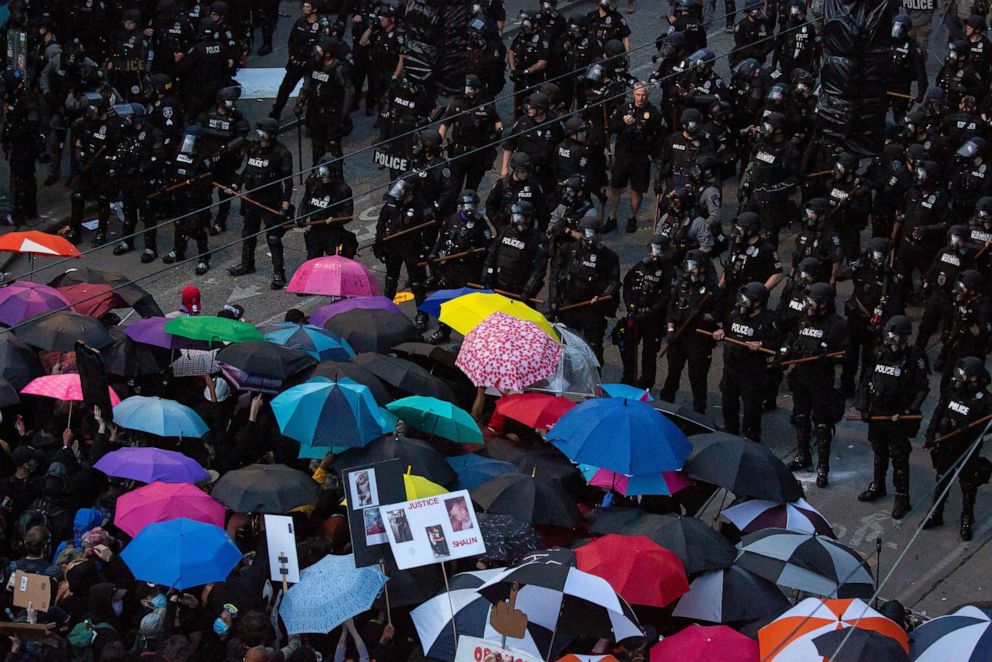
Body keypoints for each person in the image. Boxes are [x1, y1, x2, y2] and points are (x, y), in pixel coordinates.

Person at [854, 315, 929, 520]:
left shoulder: (914, 358)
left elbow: (922, 389)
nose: (890, 339)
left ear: (904, 337)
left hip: (898, 416)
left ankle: (902, 497)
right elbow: (865, 380)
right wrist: (864, 407)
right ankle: (878, 485)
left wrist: (909, 412)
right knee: (879, 452)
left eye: (895, 335)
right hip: (878, 411)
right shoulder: (879, 353)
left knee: (899, 456)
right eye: (889, 334)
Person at [782, 282, 848, 487]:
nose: (808, 304)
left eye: (812, 300)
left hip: (821, 381)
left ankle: (823, 467)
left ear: (824, 303)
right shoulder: (804, 320)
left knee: (821, 424)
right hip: (801, 377)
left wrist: (827, 357)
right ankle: (803, 456)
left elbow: (846, 355)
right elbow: (791, 340)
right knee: (801, 417)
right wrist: (784, 352)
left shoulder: (837, 324)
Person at [923, 356, 992, 541]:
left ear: (974, 378)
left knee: (968, 486)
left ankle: (966, 519)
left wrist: (971, 428)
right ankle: (936, 513)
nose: (960, 378)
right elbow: (939, 411)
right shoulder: (953, 390)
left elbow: (987, 428)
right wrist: (931, 435)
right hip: (946, 445)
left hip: (967, 449)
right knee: (942, 479)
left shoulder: (985, 400)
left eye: (964, 375)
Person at [226, 118, 294, 289]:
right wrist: (236, 184)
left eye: (263, 132)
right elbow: (247, 170)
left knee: (273, 237)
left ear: (271, 134)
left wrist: (286, 202)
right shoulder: (254, 148)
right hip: (252, 198)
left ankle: (279, 272)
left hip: (271, 200)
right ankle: (247, 264)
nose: (260, 135)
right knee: (248, 233)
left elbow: (288, 181)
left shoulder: (282, 153)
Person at [548, 210, 620, 363]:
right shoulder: (568, 250)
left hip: (592, 308)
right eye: (586, 233)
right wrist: (553, 301)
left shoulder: (608, 256)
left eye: (592, 233)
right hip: (569, 305)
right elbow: (554, 277)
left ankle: (595, 381)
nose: (589, 237)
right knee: (563, 347)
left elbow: (614, 282)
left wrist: (601, 298)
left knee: (593, 351)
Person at [659, 250, 721, 413]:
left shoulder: (712, 290)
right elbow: (672, 308)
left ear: (702, 268)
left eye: (693, 266)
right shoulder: (682, 284)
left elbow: (719, 316)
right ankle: (666, 403)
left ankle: (699, 409)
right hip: (679, 336)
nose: (690, 269)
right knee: (673, 372)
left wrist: (701, 315)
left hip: (699, 338)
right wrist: (670, 330)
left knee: (697, 376)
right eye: (688, 265)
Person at [714, 282, 778, 441]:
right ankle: (730, 430)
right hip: (730, 369)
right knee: (728, 402)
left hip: (752, 373)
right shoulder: (735, 314)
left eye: (746, 299)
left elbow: (778, 343)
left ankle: (751, 435)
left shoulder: (768, 320)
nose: (742, 302)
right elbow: (727, 330)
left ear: (758, 302)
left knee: (751, 407)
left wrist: (761, 344)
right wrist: (721, 332)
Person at [427, 191, 492, 344]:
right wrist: (433, 253)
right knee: (446, 300)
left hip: (469, 270)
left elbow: (489, 250)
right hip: (450, 267)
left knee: (469, 303)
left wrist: (475, 254)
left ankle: (471, 336)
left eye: (472, 205)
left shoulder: (481, 225)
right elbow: (442, 238)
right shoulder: (452, 219)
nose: (469, 208)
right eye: (466, 205)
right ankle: (443, 330)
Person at [606, 82, 664, 234]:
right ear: (633, 94)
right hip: (623, 154)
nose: (640, 98)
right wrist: (622, 123)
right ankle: (612, 218)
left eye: (643, 95)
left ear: (648, 95)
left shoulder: (654, 113)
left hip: (641, 157)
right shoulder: (624, 109)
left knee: (637, 190)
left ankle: (632, 217)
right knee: (615, 188)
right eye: (637, 95)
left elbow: (661, 137)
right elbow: (611, 128)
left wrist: (653, 155)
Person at [374, 177, 431, 329]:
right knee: (391, 279)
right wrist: (379, 242)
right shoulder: (391, 203)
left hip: (412, 246)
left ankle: (422, 314)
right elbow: (381, 224)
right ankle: (386, 308)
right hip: (393, 246)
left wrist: (426, 249)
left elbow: (428, 227)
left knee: (417, 283)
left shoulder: (419, 205)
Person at [619, 239, 677, 389]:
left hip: (653, 321)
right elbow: (627, 283)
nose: (655, 254)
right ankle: (628, 378)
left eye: (658, 251)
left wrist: (648, 314)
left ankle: (645, 383)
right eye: (652, 250)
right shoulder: (642, 265)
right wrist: (630, 305)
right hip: (635, 315)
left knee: (649, 354)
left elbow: (666, 298)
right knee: (628, 348)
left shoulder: (669, 271)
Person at [482, 200, 548, 300]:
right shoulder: (505, 231)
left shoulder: (538, 239)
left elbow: (539, 269)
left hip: (520, 290)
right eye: (514, 215)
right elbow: (491, 257)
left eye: (519, 216)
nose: (515, 219)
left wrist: (528, 290)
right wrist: (487, 278)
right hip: (499, 285)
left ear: (528, 218)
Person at [297, 154, 356, 259]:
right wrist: (301, 216)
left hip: (333, 231)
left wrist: (335, 219)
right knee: (312, 258)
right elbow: (306, 200)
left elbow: (347, 213)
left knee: (336, 260)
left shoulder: (342, 189)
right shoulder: (313, 183)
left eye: (325, 171)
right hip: (316, 228)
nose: (321, 174)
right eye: (320, 170)